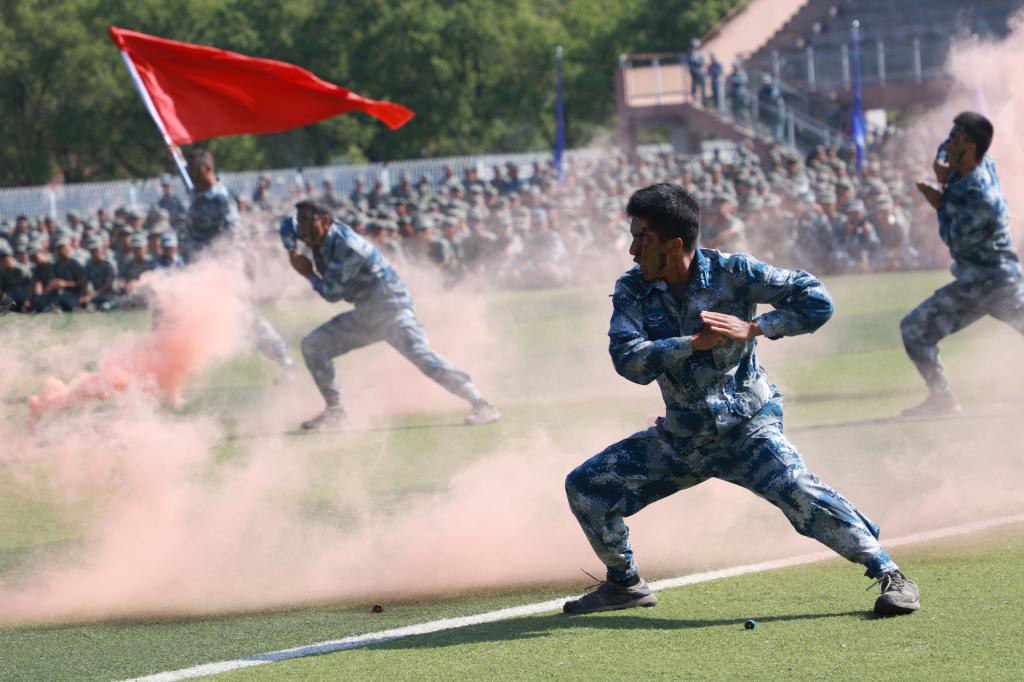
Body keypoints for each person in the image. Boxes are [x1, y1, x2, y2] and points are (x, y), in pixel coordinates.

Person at [562, 183, 919, 617]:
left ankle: (890, 574)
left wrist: (756, 328)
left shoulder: (733, 271)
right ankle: (625, 584)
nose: (632, 250)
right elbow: (627, 360)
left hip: (748, 427)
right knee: (586, 486)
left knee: (797, 488)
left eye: (642, 238)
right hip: (683, 438)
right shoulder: (633, 289)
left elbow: (816, 301)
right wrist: (692, 344)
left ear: (673, 244)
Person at [287, 200, 501, 430]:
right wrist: (290, 241)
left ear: (325, 220)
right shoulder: (320, 234)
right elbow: (286, 228)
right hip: (367, 313)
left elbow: (331, 293)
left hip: (391, 310)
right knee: (314, 346)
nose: (301, 228)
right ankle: (335, 411)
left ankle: (482, 404)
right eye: (299, 222)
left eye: (306, 221)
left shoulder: (349, 246)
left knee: (423, 357)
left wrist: (308, 273)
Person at [902, 112, 1024, 416]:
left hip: (998, 284)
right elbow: (944, 150)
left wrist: (938, 201)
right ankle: (941, 398)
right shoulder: (977, 160)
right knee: (915, 328)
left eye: (955, 139)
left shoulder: (981, 197)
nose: (948, 143)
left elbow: (953, 238)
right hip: (972, 284)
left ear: (969, 148)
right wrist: (940, 165)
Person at [186, 149, 294, 373]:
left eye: (194, 172)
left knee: (245, 317)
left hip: (222, 268)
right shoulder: (198, 194)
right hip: (200, 267)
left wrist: (224, 269)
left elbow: (234, 237)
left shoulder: (221, 199)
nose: (190, 177)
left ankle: (285, 361)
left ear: (207, 170)